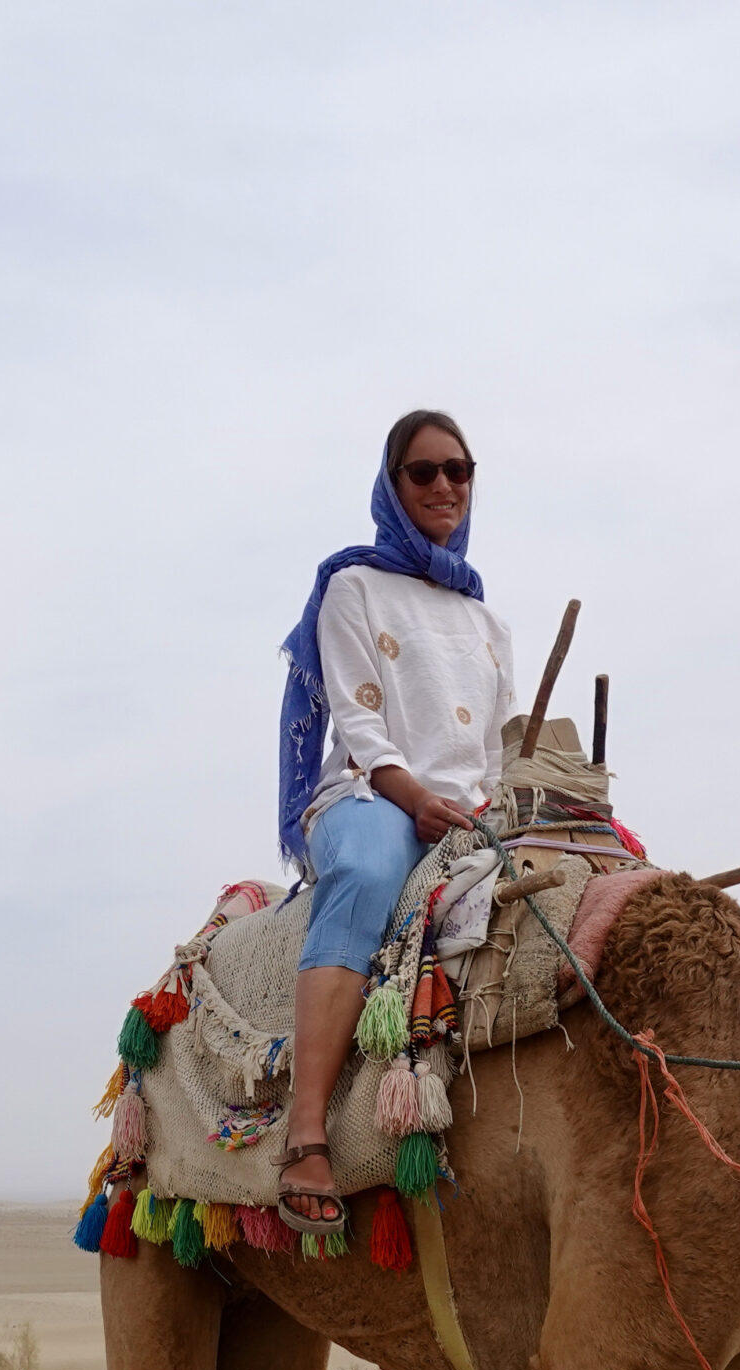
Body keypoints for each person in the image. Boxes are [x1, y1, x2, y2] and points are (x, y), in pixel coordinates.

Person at [271, 410, 514, 1234]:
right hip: (371, 798)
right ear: (393, 484)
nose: (445, 485)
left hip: (465, 813)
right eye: (424, 472)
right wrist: (416, 802)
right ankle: (306, 1134)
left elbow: (494, 750)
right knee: (372, 873)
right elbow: (362, 726)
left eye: (460, 469)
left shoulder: (488, 623)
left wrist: (502, 809)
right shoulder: (353, 586)